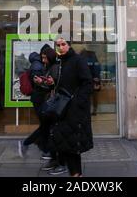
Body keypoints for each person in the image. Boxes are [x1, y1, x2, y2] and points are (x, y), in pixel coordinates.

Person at [50, 36, 93, 177]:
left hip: (74, 111)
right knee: (66, 145)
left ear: (69, 45)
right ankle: (74, 173)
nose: (60, 47)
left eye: (63, 44)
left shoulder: (77, 61)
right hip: (63, 110)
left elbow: (87, 83)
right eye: (58, 45)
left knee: (74, 145)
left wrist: (77, 102)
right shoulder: (60, 62)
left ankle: (76, 174)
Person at [80, 49, 101, 116]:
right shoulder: (93, 58)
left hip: (88, 80)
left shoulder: (84, 58)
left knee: (87, 96)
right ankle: (94, 110)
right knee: (94, 96)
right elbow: (97, 68)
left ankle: (87, 110)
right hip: (94, 79)